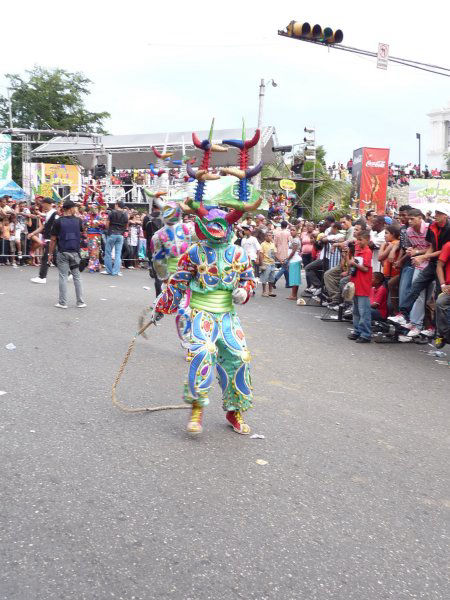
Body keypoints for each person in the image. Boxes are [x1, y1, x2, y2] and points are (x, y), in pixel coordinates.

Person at [154, 189, 261, 436]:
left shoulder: (239, 253)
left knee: (240, 356)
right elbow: (178, 283)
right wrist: (159, 308)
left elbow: (248, 279)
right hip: (200, 312)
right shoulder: (194, 252)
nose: (217, 235)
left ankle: (234, 410)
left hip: (227, 315)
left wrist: (244, 291)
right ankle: (197, 410)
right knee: (203, 352)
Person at [390, 205, 450, 327]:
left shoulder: (448, 229)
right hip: (433, 263)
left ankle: (436, 330)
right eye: (436, 212)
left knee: (439, 299)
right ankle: (403, 315)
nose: (436, 215)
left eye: (440, 213)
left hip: (444, 266)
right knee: (416, 287)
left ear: (446, 216)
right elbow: (432, 245)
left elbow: (444, 250)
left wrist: (421, 256)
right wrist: (421, 256)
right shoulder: (433, 226)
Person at [48, 200, 86, 309]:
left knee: (63, 277)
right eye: (74, 207)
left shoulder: (58, 221)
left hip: (63, 252)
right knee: (77, 277)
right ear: (70, 209)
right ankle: (80, 302)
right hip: (75, 252)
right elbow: (82, 231)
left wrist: (50, 254)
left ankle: (63, 302)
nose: (76, 209)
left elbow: (53, 239)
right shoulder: (78, 220)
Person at [348, 231, 373, 343]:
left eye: (361, 240)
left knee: (364, 312)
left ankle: (366, 334)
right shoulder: (358, 249)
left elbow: (365, 269)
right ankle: (357, 331)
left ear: (367, 240)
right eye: (358, 239)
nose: (358, 242)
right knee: (356, 311)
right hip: (355, 283)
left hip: (363, 285)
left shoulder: (367, 251)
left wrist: (354, 264)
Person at [29, 198, 58, 284]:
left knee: (46, 258)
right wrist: (32, 233)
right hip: (49, 238)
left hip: (51, 239)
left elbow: (57, 225)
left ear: (47, 204)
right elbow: (43, 227)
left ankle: (42, 277)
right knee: (55, 258)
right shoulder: (49, 213)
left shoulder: (55, 213)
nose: (42, 205)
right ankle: (69, 273)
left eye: (43, 203)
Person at [102, 201, 128, 276]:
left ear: (117, 205)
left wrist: (108, 229)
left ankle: (109, 270)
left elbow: (107, 224)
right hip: (120, 235)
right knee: (118, 253)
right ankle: (115, 271)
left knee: (108, 252)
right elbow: (126, 226)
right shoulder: (125, 214)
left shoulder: (111, 213)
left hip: (112, 233)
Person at [434, 241, 450, 348]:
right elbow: (439, 266)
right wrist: (443, 284)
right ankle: (442, 334)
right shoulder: (448, 245)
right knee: (440, 302)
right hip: (448, 288)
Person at [273, 220, 291, 287]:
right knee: (284, 267)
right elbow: (290, 242)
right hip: (286, 251)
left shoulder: (277, 233)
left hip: (279, 251)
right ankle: (274, 279)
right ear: (286, 226)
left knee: (285, 267)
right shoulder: (288, 233)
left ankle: (288, 283)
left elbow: (274, 243)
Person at [286, 225, 302, 301]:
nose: (291, 231)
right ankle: (293, 295)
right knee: (294, 278)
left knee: (294, 279)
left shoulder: (296, 240)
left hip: (294, 260)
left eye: (293, 230)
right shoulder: (293, 239)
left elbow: (293, 251)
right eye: (291, 230)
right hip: (294, 260)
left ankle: (294, 295)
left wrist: (287, 259)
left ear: (297, 231)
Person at [259, 231, 277, 297]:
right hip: (266, 263)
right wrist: (262, 264)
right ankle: (264, 292)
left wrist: (280, 260)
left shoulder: (272, 244)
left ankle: (270, 291)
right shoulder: (263, 244)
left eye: (271, 235)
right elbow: (260, 254)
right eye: (268, 235)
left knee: (272, 279)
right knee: (265, 278)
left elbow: (274, 253)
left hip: (272, 263)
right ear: (265, 237)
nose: (270, 237)